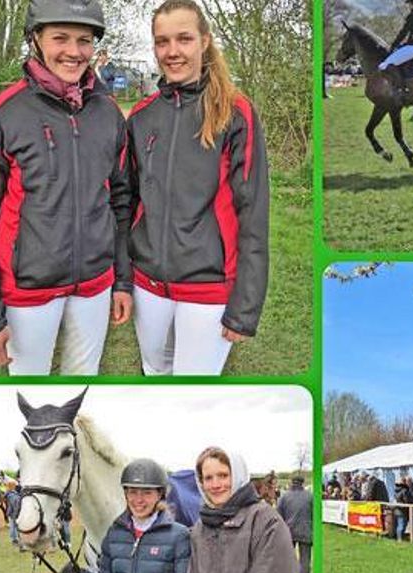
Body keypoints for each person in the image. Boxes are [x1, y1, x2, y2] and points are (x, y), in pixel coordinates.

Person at [0, 0, 131, 375]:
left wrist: (122, 281)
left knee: (83, 382)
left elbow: (120, 201)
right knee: (31, 388)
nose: (74, 51)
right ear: (36, 39)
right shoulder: (4, 112)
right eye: (60, 38)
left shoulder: (109, 113)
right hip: (27, 291)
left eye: (84, 40)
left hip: (95, 285)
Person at [128, 0, 269, 375]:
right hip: (147, 284)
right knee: (154, 374)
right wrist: (123, 280)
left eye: (184, 39)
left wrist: (245, 305)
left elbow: (253, 211)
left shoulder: (237, 113)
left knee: (195, 383)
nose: (172, 51)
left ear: (204, 41)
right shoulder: (141, 117)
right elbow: (126, 201)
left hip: (208, 288)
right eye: (162, 41)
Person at [66, 458, 190, 573]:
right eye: (132, 492)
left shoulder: (178, 536)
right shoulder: (115, 533)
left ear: (160, 494)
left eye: (147, 492)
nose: (138, 500)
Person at [180, 447, 297, 573]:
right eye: (208, 478)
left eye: (223, 475)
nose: (216, 484)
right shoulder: (200, 530)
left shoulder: (266, 523)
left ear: (238, 475)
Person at [377, 0, 413, 104]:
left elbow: (403, 32)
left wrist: (393, 46)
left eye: (409, 3)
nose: (408, 6)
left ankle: (403, 90)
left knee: (385, 64)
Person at [277, 475, 312, 573]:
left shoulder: (284, 496)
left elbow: (279, 516)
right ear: (302, 483)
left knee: (287, 560)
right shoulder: (310, 496)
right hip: (306, 531)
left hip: (288, 532)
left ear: (292, 482)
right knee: (305, 560)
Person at [4, 480, 21, 545]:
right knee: (13, 526)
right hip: (14, 513)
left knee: (13, 526)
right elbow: (15, 505)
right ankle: (15, 540)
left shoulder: (10, 494)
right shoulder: (13, 495)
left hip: (11, 513)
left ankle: (15, 539)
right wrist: (16, 514)